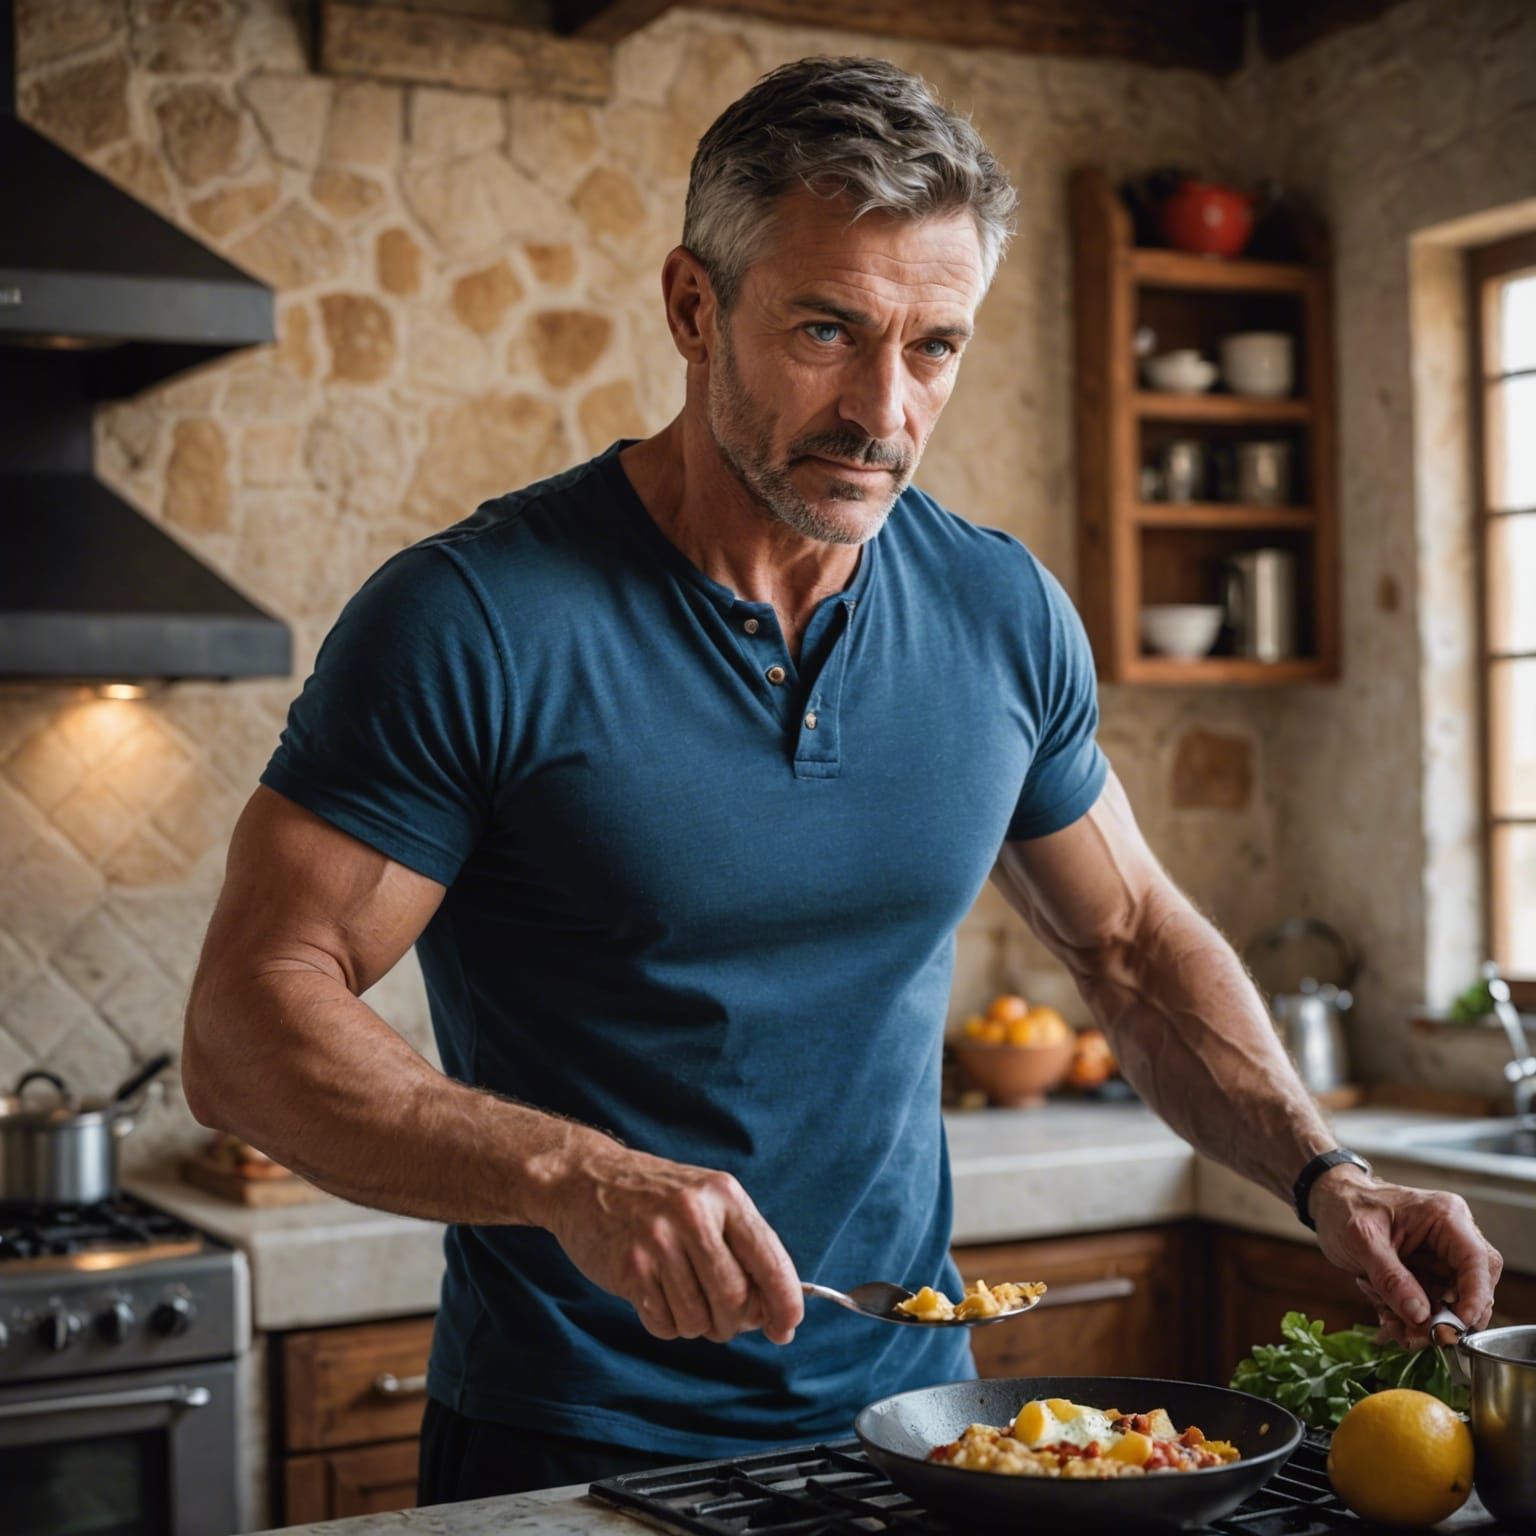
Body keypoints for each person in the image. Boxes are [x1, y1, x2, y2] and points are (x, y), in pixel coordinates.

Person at [181, 55, 1502, 1508]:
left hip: (914, 1429)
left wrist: (1331, 1178)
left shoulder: (1004, 615)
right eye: (828, 329)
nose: (884, 408)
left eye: (934, 344)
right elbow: (251, 1023)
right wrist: (577, 1178)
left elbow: (1127, 947)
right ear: (695, 306)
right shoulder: (475, 617)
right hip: (576, 1442)